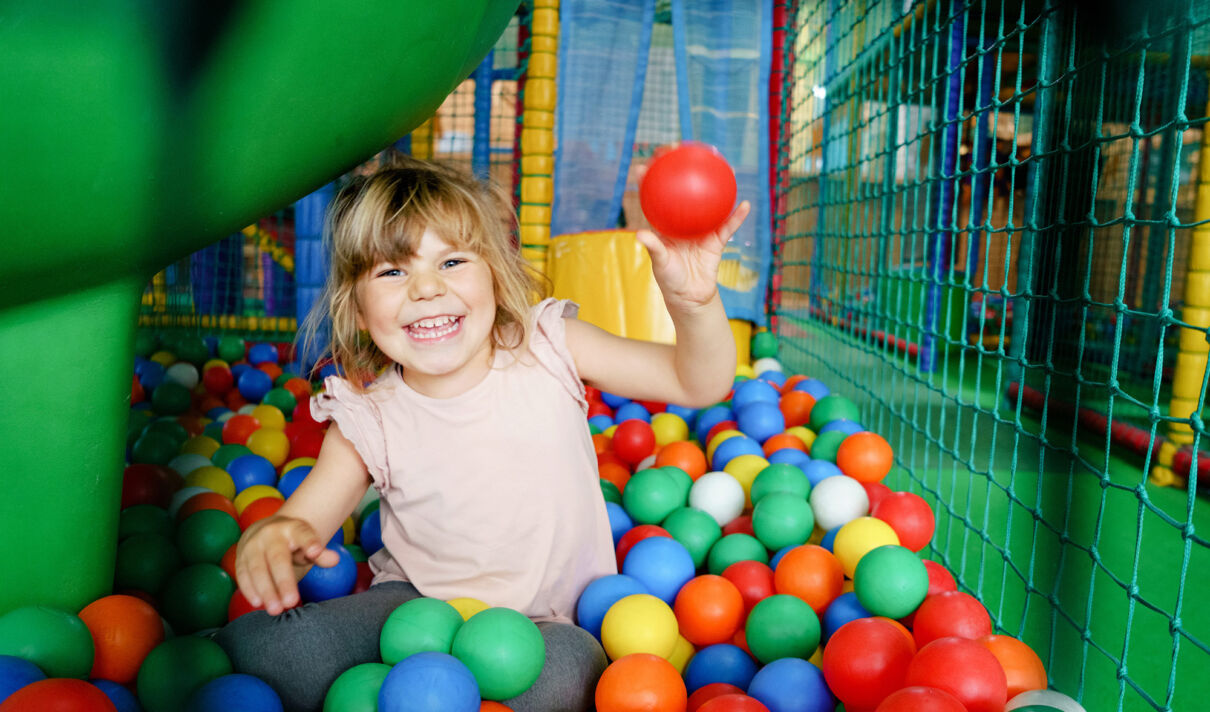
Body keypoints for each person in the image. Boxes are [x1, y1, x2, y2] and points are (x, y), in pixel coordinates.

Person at [215, 154, 750, 711]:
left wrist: (695, 304)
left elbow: (699, 382)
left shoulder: (549, 347)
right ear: (354, 309)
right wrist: (276, 541)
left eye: (451, 262)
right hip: (415, 613)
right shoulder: (366, 417)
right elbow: (305, 526)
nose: (425, 288)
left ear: (495, 272)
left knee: (568, 677)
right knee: (277, 648)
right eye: (392, 271)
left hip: (548, 622)